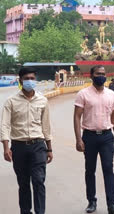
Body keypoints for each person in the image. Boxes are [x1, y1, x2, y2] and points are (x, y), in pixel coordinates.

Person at [1, 67, 53, 214]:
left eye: (32, 78)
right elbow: (4, 125)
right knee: (23, 183)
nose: (30, 81)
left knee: (38, 181)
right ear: (20, 80)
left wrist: (49, 148)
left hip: (38, 146)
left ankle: (40, 212)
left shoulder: (42, 100)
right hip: (19, 147)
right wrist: (6, 148)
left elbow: (46, 126)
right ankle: (25, 211)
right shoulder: (11, 102)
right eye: (27, 78)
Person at [74, 65, 114, 214]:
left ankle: (112, 203)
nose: (101, 76)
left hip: (107, 137)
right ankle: (91, 201)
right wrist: (78, 139)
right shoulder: (83, 94)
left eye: (103, 73)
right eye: (98, 73)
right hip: (89, 136)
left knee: (108, 169)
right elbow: (77, 117)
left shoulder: (111, 94)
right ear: (91, 76)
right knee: (90, 170)